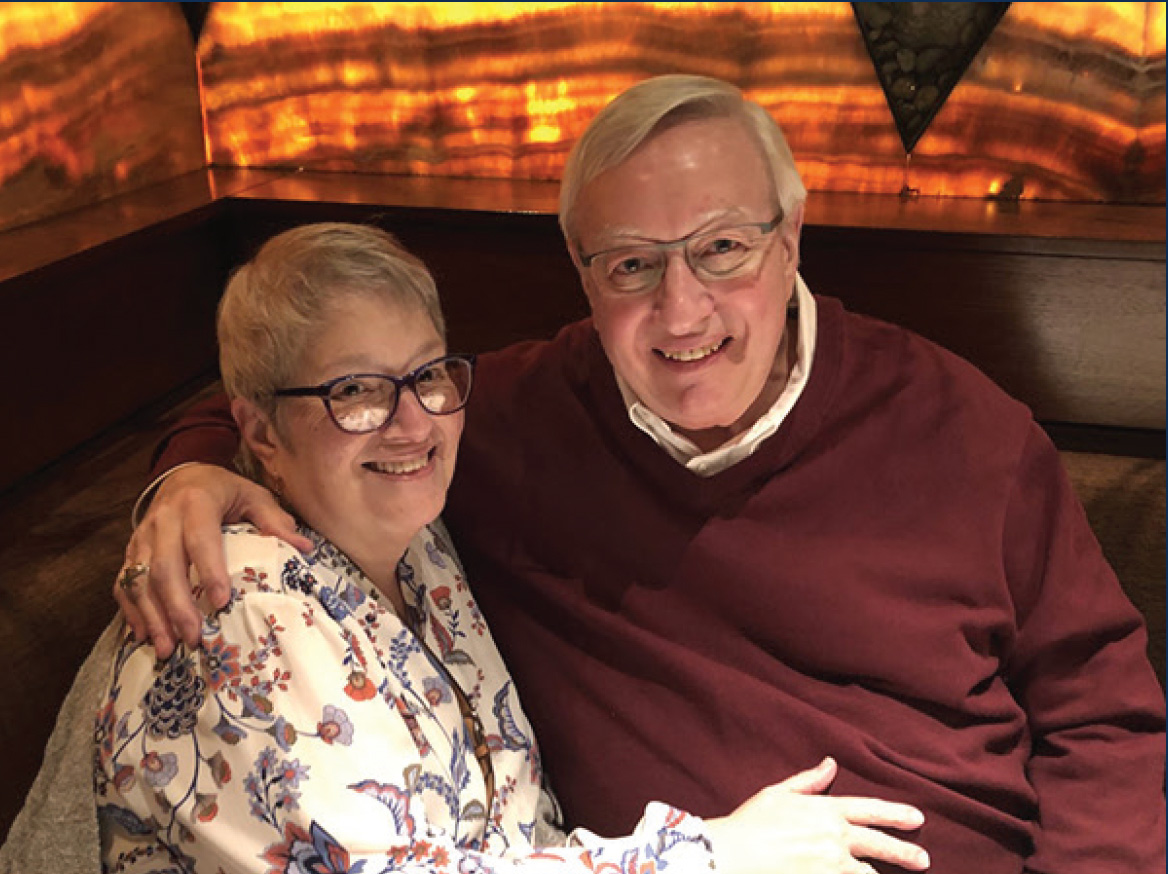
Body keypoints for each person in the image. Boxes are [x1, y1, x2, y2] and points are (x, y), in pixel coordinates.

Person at [118, 75, 1166, 874]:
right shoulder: (478, 423)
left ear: (791, 237)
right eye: (630, 263)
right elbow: (312, 408)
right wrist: (189, 476)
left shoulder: (964, 432)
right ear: (581, 270)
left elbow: (1105, 714)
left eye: (721, 249)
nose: (681, 311)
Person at [83, 221, 932, 874]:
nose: (414, 421)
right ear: (263, 435)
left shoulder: (420, 544)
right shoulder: (243, 610)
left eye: (428, 374)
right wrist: (716, 853)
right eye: (357, 392)